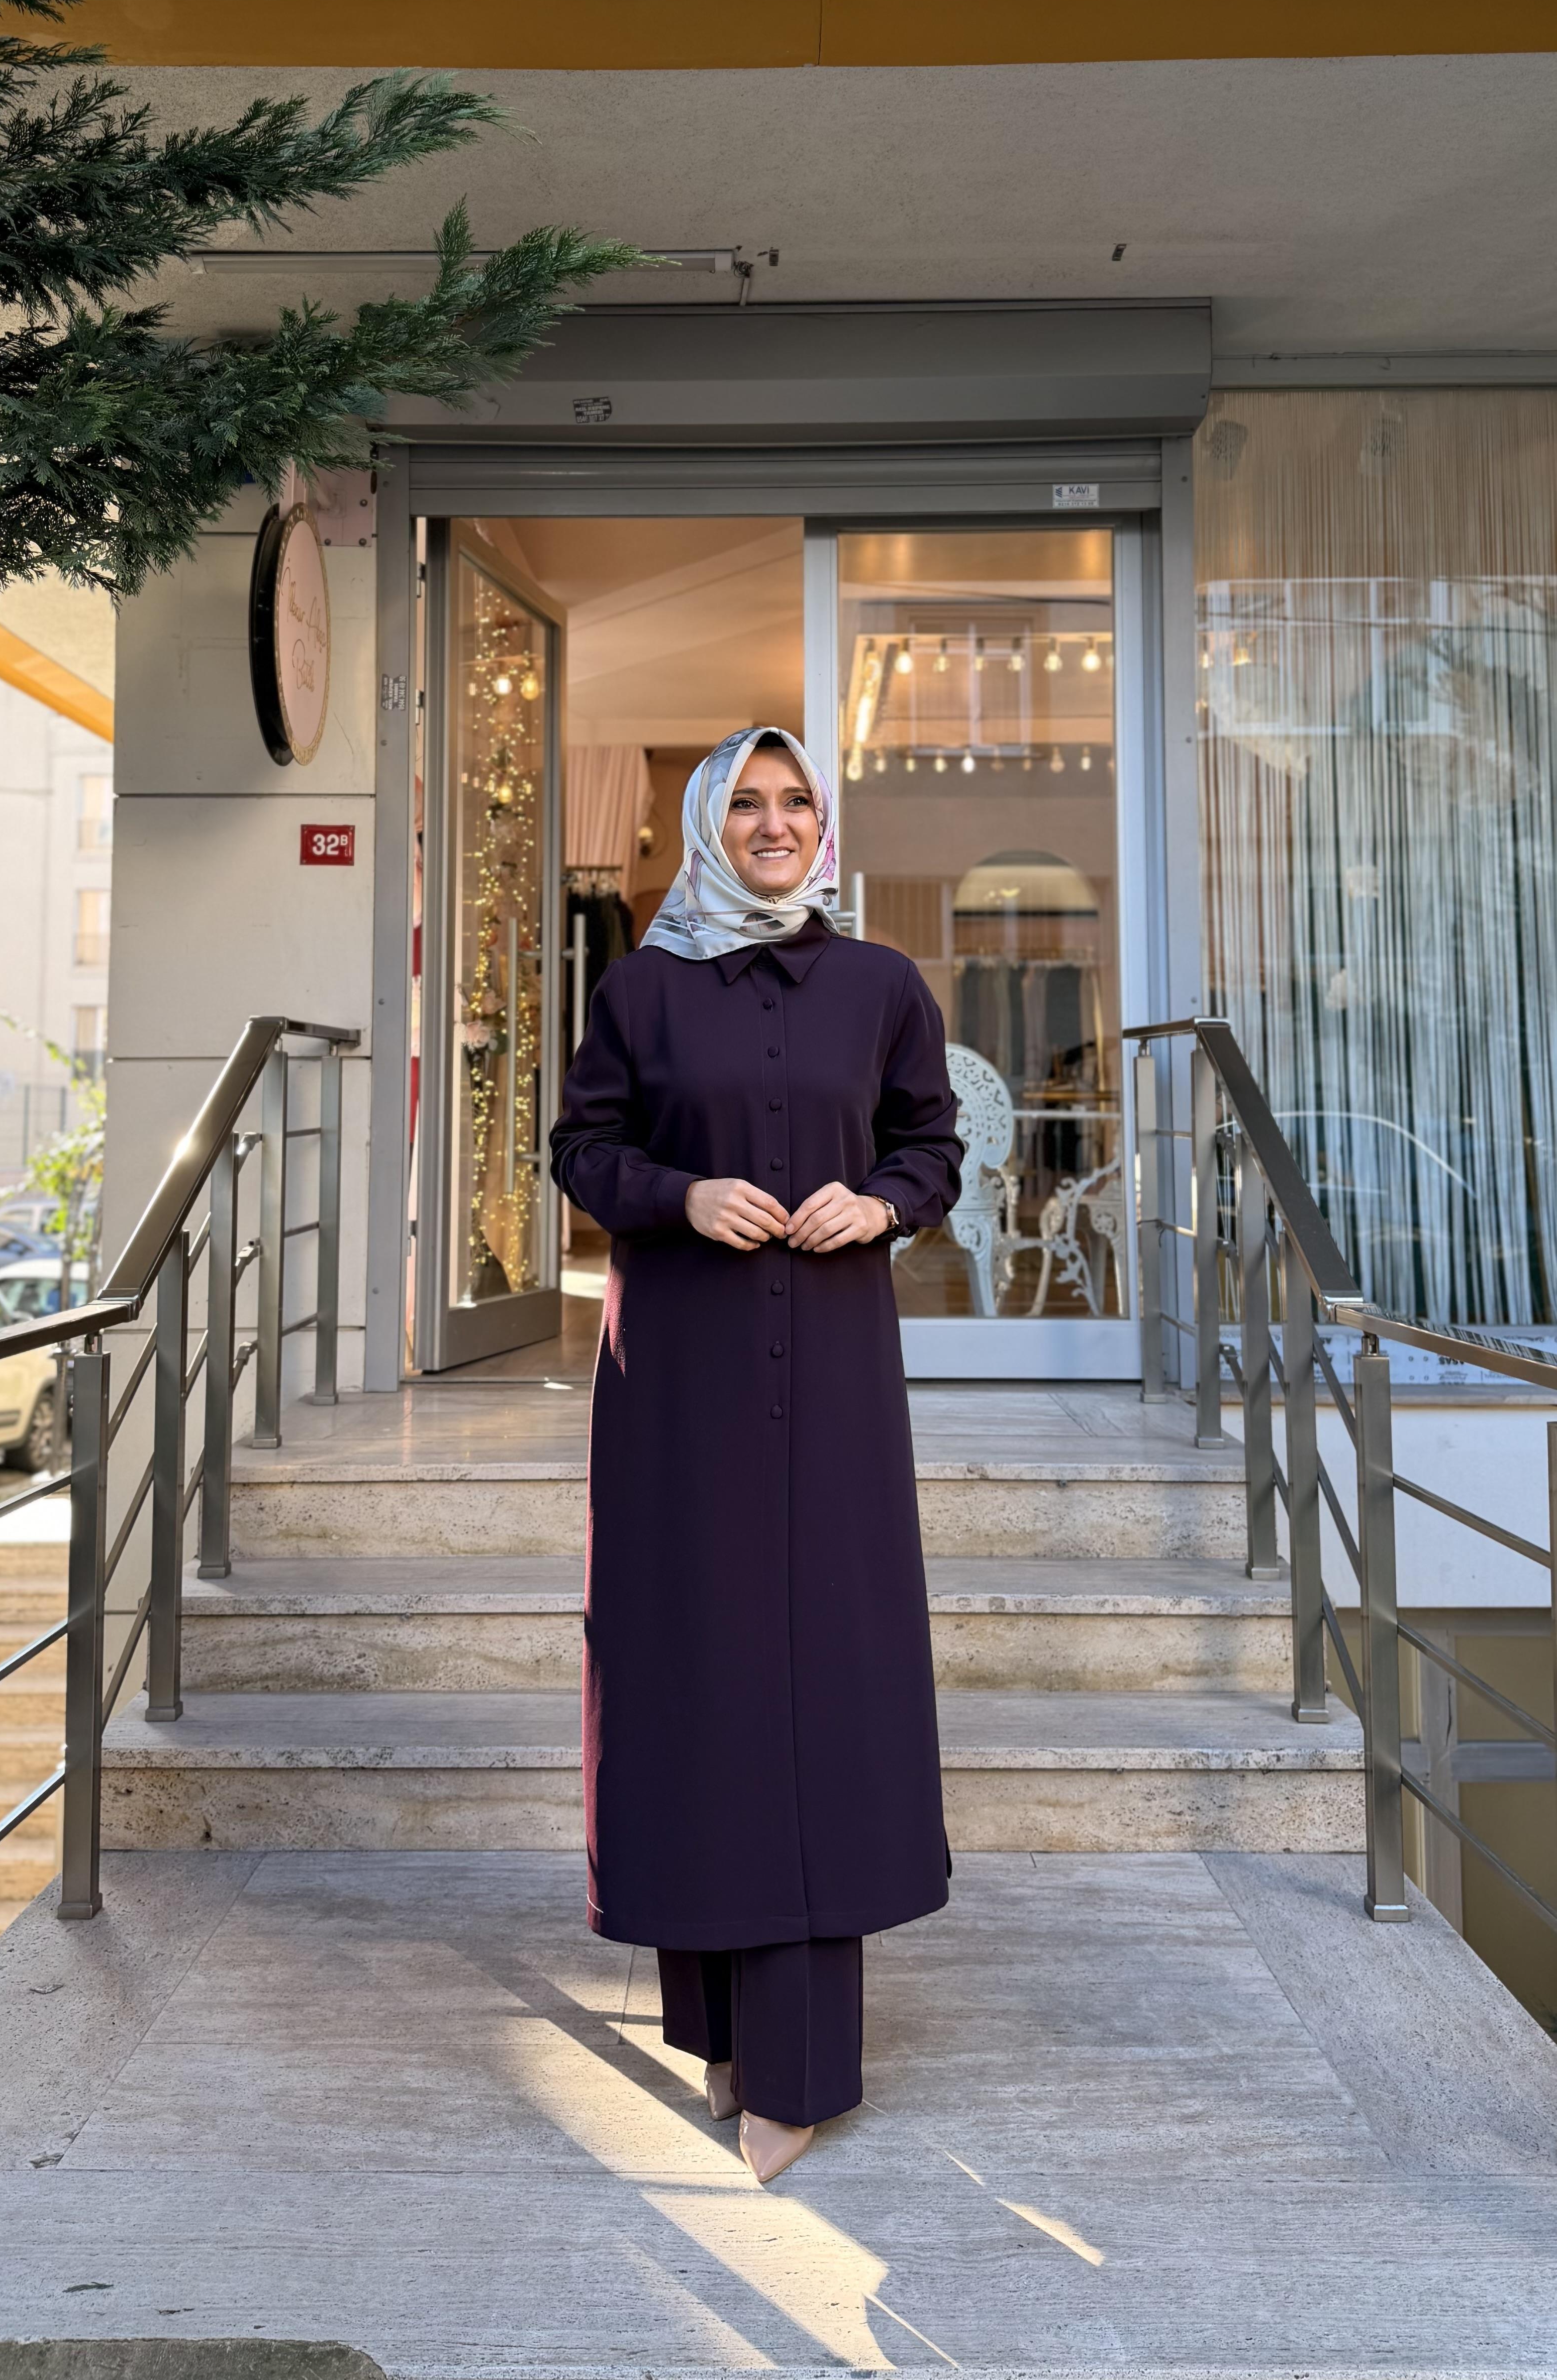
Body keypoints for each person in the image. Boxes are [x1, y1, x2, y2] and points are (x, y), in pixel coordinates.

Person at [549, 726, 963, 2184]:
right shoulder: (640, 989)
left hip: (834, 1381)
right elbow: (581, 1151)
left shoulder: (882, 986)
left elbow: (933, 1143)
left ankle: (797, 2068)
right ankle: (718, 2027)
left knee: (822, 1685)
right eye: (747, 804)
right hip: (681, 1382)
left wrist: (884, 1204)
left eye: (796, 803)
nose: (775, 824)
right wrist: (682, 1197)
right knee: (699, 1677)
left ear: (821, 827)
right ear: (706, 826)